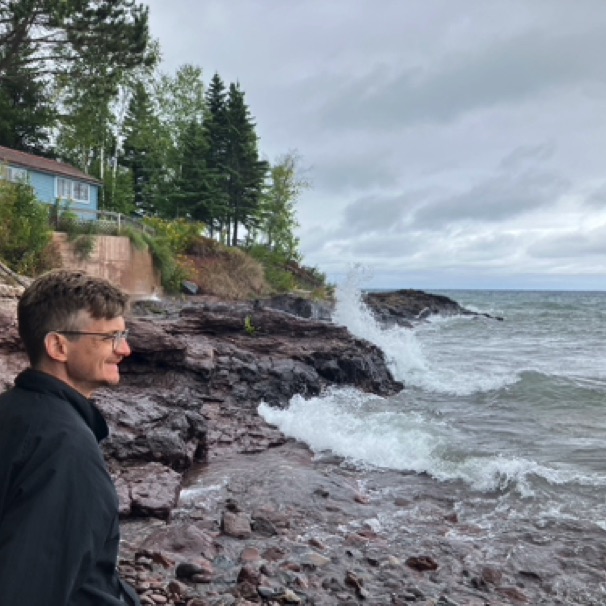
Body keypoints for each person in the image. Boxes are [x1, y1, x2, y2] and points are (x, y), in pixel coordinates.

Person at [0, 269, 140, 605]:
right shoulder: (66, 449)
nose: (126, 350)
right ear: (59, 346)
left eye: (123, 334)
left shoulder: (11, 410)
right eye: (110, 337)